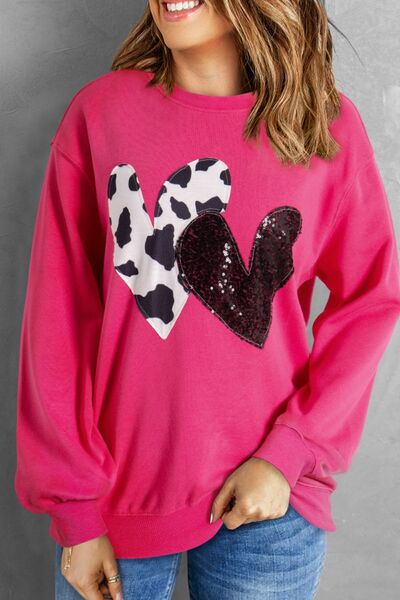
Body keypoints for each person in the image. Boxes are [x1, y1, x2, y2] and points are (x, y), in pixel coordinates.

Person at [14, 1, 400, 599]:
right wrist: (75, 508)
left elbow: (371, 301)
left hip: (272, 502)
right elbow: (57, 320)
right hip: (119, 503)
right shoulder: (102, 114)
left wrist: (291, 451)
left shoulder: (323, 127)